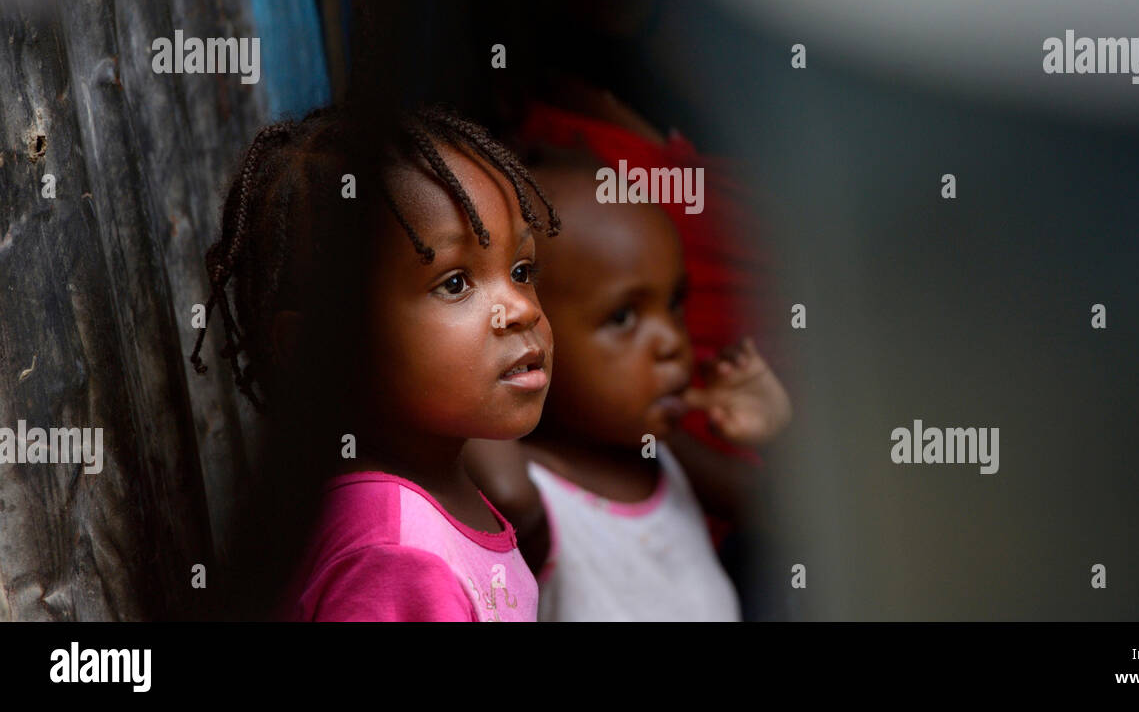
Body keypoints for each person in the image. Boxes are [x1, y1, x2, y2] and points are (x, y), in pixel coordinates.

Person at [189, 101, 560, 621]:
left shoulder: (427, 502)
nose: (519, 309)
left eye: (521, 270)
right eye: (454, 283)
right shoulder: (395, 554)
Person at [464, 146, 791, 621]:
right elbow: (507, 490)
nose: (673, 342)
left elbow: (785, 518)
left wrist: (773, 435)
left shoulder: (661, 452)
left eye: (675, 303)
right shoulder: (529, 496)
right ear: (531, 332)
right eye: (623, 317)